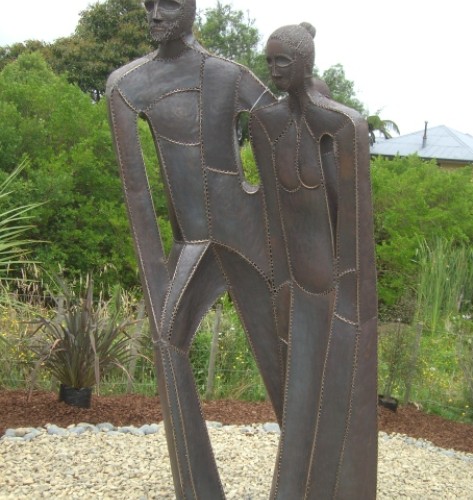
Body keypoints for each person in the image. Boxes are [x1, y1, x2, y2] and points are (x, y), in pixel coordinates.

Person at [106, 2, 287, 498]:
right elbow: (138, 196)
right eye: (149, 4)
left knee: (281, 357)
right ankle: (197, 488)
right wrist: (155, 280)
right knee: (169, 344)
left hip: (246, 232)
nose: (155, 14)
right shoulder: (128, 85)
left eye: (168, 4)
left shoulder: (229, 75)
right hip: (194, 242)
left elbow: (283, 134)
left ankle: (308, 476)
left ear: (190, 8)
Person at [249, 23, 378, 499]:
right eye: (269, 61)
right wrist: (279, 285)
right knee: (300, 400)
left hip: (336, 287)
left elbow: (354, 227)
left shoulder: (342, 125)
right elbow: (272, 217)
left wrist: (353, 304)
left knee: (339, 400)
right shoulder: (264, 124)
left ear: (305, 62)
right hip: (298, 286)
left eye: (283, 61)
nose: (274, 70)